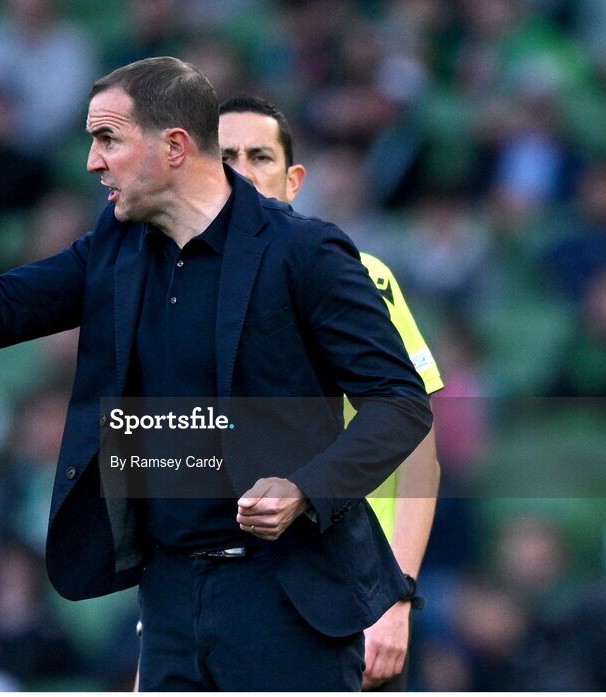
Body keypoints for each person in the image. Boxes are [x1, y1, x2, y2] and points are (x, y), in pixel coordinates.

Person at [0, 57, 432, 691]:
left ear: (175, 147)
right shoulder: (116, 247)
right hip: (168, 598)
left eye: (108, 139)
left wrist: (304, 489)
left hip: (287, 598)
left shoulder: (306, 254)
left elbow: (401, 404)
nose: (92, 162)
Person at [218, 94, 442, 690]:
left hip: (350, 592)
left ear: (293, 181)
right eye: (224, 157)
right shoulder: (179, 293)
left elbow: (420, 458)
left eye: (259, 156)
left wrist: (397, 599)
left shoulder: (358, 275)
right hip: (229, 600)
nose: (241, 172)